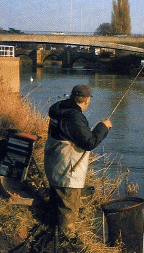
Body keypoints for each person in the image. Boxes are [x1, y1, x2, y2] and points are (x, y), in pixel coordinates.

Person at [44, 84, 112, 244]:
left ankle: (53, 229)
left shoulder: (59, 109)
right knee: (69, 208)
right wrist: (104, 126)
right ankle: (66, 242)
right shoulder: (73, 116)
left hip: (54, 165)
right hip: (67, 172)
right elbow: (90, 142)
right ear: (86, 100)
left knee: (57, 202)